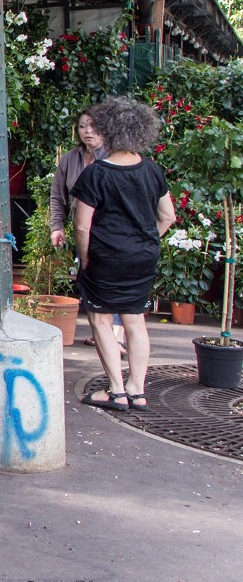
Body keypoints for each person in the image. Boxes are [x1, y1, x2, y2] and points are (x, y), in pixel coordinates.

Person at [73, 97, 175, 412]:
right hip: (143, 256)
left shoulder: (96, 173)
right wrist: (144, 241)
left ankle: (116, 391)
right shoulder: (151, 170)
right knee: (135, 319)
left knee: (101, 319)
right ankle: (138, 390)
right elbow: (168, 216)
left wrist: (85, 259)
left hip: (106, 257)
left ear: (107, 131)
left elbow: (81, 226)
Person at [48, 111, 121, 347]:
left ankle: (115, 335)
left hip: (110, 231)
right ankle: (101, 330)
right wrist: (56, 226)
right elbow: (58, 196)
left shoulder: (114, 158)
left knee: (112, 280)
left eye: (93, 126)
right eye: (82, 126)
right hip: (83, 230)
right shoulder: (70, 159)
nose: (87, 131)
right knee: (89, 277)